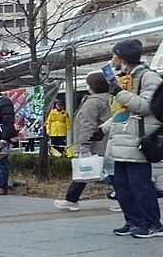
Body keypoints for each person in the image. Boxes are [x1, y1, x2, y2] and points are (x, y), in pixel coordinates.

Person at [104, 38, 162, 238]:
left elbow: (146, 106)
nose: (112, 60)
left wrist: (119, 93)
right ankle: (134, 221)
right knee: (122, 187)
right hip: (122, 139)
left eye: (115, 56)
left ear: (123, 58)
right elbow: (122, 112)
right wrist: (102, 129)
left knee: (140, 186)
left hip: (137, 140)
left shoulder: (149, 77)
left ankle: (153, 224)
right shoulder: (124, 78)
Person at [54, 73, 112, 212]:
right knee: (89, 172)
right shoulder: (110, 99)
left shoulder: (92, 102)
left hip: (94, 144)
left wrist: (84, 146)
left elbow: (87, 125)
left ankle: (122, 199)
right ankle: (71, 199)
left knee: (94, 172)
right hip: (106, 142)